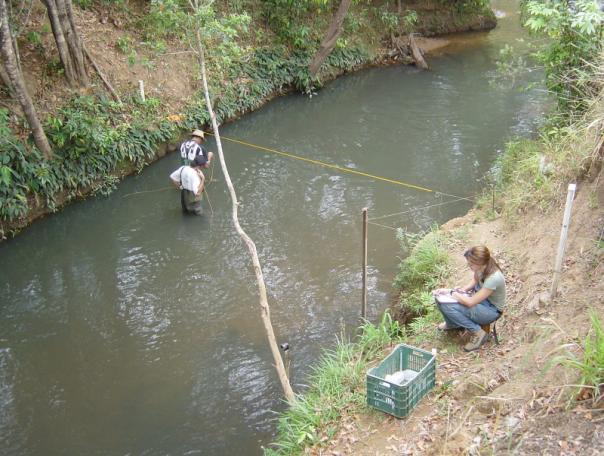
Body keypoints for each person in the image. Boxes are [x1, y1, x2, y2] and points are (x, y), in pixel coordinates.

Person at [432, 245, 506, 352]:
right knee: (439, 298)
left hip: (491, 310)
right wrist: (458, 290)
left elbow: (470, 302)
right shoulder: (482, 267)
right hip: (481, 300)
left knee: (447, 305)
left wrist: (452, 293)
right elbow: (474, 281)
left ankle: (478, 332)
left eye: (471, 264)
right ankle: (452, 324)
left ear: (480, 263)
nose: (469, 266)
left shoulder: (493, 277)